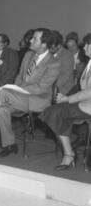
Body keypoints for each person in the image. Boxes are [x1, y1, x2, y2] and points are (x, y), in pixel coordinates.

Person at [0, 28, 60, 157]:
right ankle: (10, 145)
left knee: (4, 93)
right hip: (19, 97)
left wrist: (16, 90)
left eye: (35, 39)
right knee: (0, 110)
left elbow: (41, 88)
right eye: (32, 38)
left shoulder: (53, 63)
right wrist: (15, 88)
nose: (30, 40)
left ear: (43, 44)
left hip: (39, 100)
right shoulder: (28, 55)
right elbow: (19, 77)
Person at [39, 33, 91, 170]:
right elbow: (80, 86)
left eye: (87, 44)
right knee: (55, 112)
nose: (84, 47)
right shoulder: (90, 62)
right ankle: (69, 153)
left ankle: (69, 154)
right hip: (85, 102)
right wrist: (65, 98)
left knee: (55, 113)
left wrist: (67, 98)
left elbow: (89, 91)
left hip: (89, 105)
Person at [49, 31, 74, 95]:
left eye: (52, 48)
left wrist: (45, 85)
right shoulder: (48, 53)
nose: (48, 49)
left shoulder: (67, 56)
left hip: (62, 91)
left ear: (59, 46)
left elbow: (63, 78)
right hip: (48, 87)